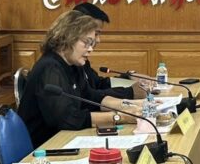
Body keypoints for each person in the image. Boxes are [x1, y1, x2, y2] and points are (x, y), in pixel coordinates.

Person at [18, 11, 143, 147]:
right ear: (68, 38)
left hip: (64, 139)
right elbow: (66, 118)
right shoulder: (49, 69)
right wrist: (120, 117)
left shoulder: (72, 65)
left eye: (92, 44)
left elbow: (90, 97)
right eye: (86, 43)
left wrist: (133, 105)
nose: (90, 49)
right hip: (44, 146)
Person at [71, 3, 136, 99]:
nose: (98, 40)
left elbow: (98, 84)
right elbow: (87, 98)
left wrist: (127, 78)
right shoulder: (66, 64)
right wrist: (130, 93)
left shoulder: (81, 60)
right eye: (96, 34)